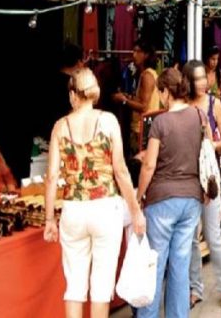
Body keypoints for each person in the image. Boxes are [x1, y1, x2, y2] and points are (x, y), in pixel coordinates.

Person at [44, 69, 144, 318]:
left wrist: (49, 219)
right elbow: (120, 171)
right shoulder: (108, 121)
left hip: (73, 209)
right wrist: (135, 211)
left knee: (74, 286)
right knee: (101, 286)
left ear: (73, 95)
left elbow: (52, 177)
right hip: (105, 208)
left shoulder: (60, 127)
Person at [135, 68, 204, 318]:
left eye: (160, 92)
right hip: (191, 198)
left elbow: (149, 165)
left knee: (154, 265)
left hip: (162, 200)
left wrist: (139, 196)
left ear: (166, 92)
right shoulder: (198, 115)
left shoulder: (160, 123)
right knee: (180, 266)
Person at [184, 61, 221, 310]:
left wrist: (209, 145)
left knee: (213, 237)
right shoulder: (183, 105)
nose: (203, 82)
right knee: (191, 239)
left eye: (204, 77)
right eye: (197, 78)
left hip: (209, 179)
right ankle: (195, 289)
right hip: (186, 179)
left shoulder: (214, 105)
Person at [113, 39, 161, 148]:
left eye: (138, 52)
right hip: (143, 127)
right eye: (133, 51)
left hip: (142, 129)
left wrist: (124, 100)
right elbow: (141, 99)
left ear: (146, 55)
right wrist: (128, 97)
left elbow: (144, 106)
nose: (134, 55)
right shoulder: (145, 74)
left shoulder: (147, 76)